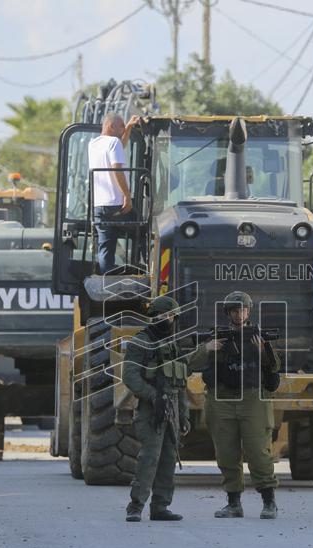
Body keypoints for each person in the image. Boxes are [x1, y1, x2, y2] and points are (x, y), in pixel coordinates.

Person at [188, 291, 280, 519]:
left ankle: (269, 502)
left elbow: (274, 367)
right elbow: (192, 364)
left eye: (243, 310)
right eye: (235, 311)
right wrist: (208, 348)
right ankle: (233, 502)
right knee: (226, 454)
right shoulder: (217, 337)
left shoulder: (257, 336)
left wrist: (262, 351)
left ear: (249, 312)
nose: (240, 314)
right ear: (228, 313)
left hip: (252, 399)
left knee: (259, 452)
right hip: (221, 399)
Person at [121, 296, 189, 522]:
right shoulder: (140, 342)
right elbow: (130, 376)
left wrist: (184, 415)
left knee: (169, 459)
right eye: (163, 316)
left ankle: (160, 506)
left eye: (171, 316)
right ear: (154, 317)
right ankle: (136, 506)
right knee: (150, 457)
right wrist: (153, 396)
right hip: (151, 409)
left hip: (172, 408)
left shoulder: (173, 343)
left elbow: (179, 384)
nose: (168, 320)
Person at [89, 112, 139, 274]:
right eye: (122, 126)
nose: (124, 128)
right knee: (144, 232)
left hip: (99, 207)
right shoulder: (113, 143)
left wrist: (129, 128)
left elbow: (119, 145)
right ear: (111, 126)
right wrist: (127, 195)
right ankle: (148, 272)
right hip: (117, 204)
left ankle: (107, 281)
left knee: (106, 248)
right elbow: (117, 169)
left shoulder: (94, 144)